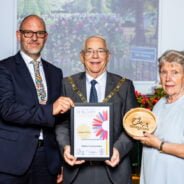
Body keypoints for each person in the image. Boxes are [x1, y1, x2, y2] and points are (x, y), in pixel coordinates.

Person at [0, 15, 74, 184]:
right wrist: (50, 109)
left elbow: (59, 121)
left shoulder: (55, 73)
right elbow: (7, 110)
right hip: (11, 160)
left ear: (45, 37)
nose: (34, 38)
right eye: (28, 33)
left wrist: (60, 160)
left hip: (47, 160)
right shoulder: (4, 69)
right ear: (19, 35)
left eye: (39, 33)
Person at [56, 35, 138, 184]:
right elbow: (61, 124)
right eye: (90, 51)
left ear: (108, 56)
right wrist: (66, 147)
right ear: (82, 56)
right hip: (76, 169)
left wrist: (119, 149)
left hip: (114, 170)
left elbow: (132, 127)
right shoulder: (67, 84)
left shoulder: (125, 86)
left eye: (100, 51)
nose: (95, 56)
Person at [133, 50, 184, 184]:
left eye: (175, 73)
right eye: (163, 72)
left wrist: (159, 145)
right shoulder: (160, 103)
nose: (168, 78)